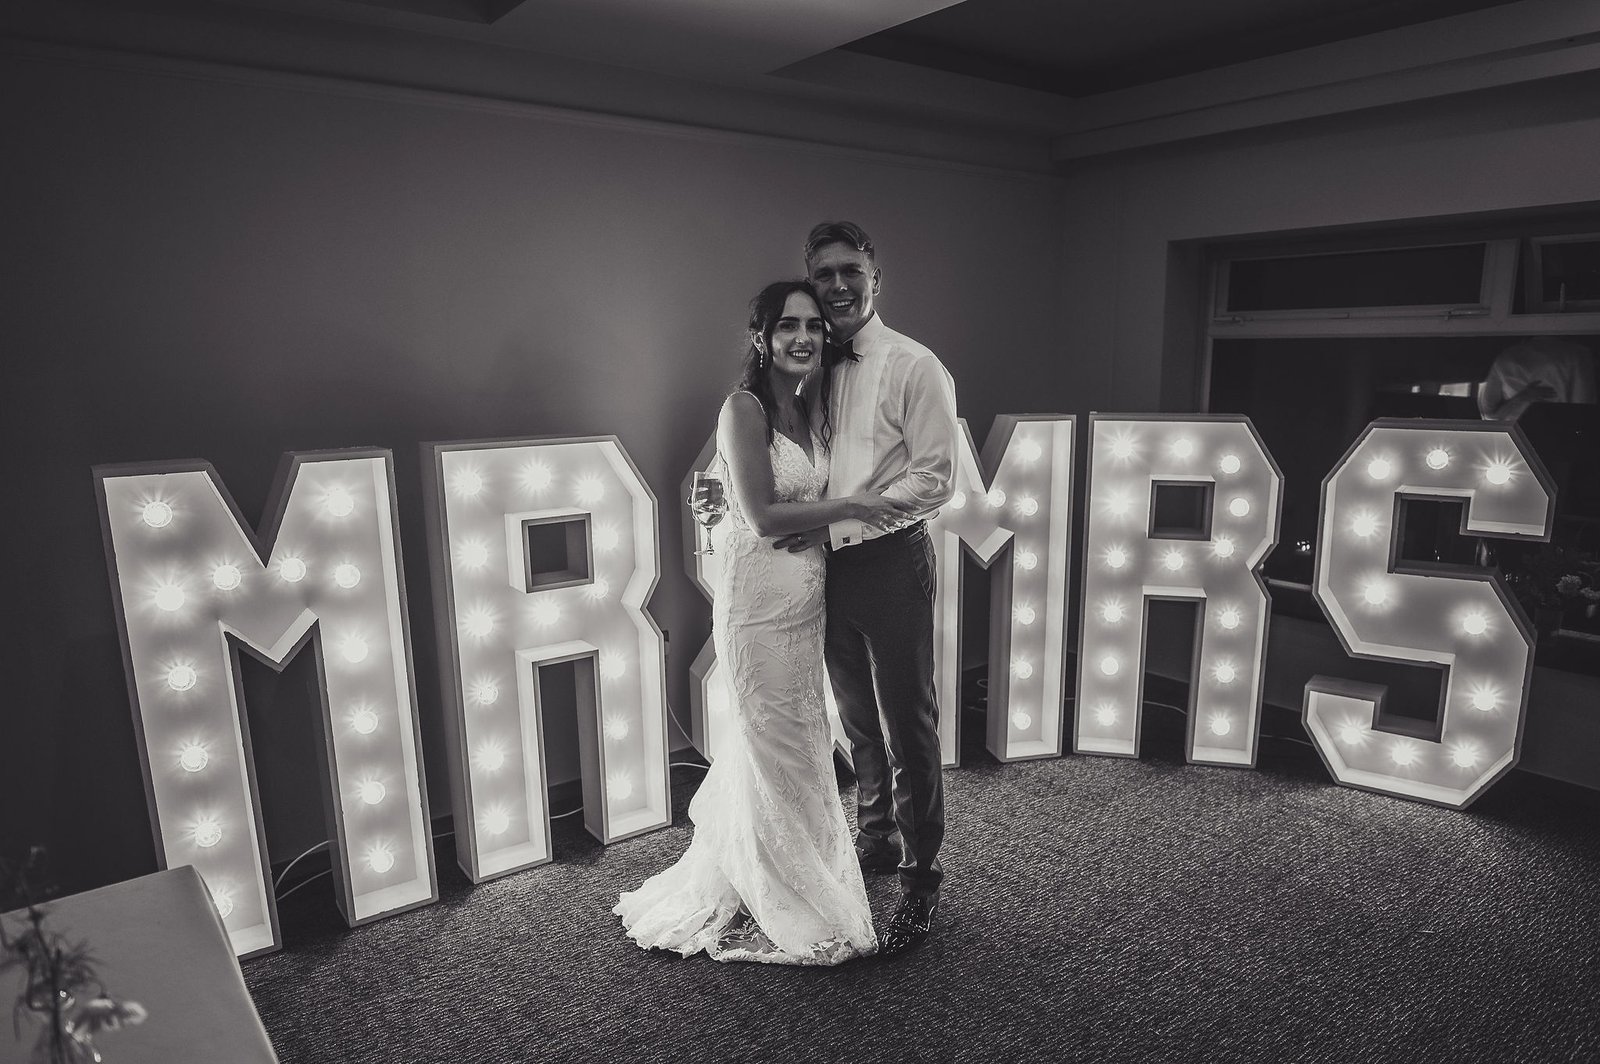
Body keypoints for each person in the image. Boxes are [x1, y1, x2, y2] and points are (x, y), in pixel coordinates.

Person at [614, 281, 911, 965]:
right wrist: (855, 507)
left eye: (812, 326)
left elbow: (793, 511)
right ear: (761, 339)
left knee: (802, 740)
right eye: (787, 327)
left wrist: (827, 523)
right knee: (774, 740)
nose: (803, 337)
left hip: (805, 600)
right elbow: (763, 516)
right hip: (754, 605)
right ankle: (784, 890)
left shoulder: (811, 408)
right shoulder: (742, 409)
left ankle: (790, 872)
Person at [772, 221, 959, 957]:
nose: (839, 284)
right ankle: (874, 837)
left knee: (910, 722)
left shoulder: (917, 366)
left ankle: (920, 878)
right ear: (810, 283)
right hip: (821, 570)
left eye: (851, 270)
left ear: (876, 279)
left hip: (887, 562)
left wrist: (840, 526)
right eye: (825, 274)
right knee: (853, 715)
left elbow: (935, 479)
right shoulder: (805, 365)